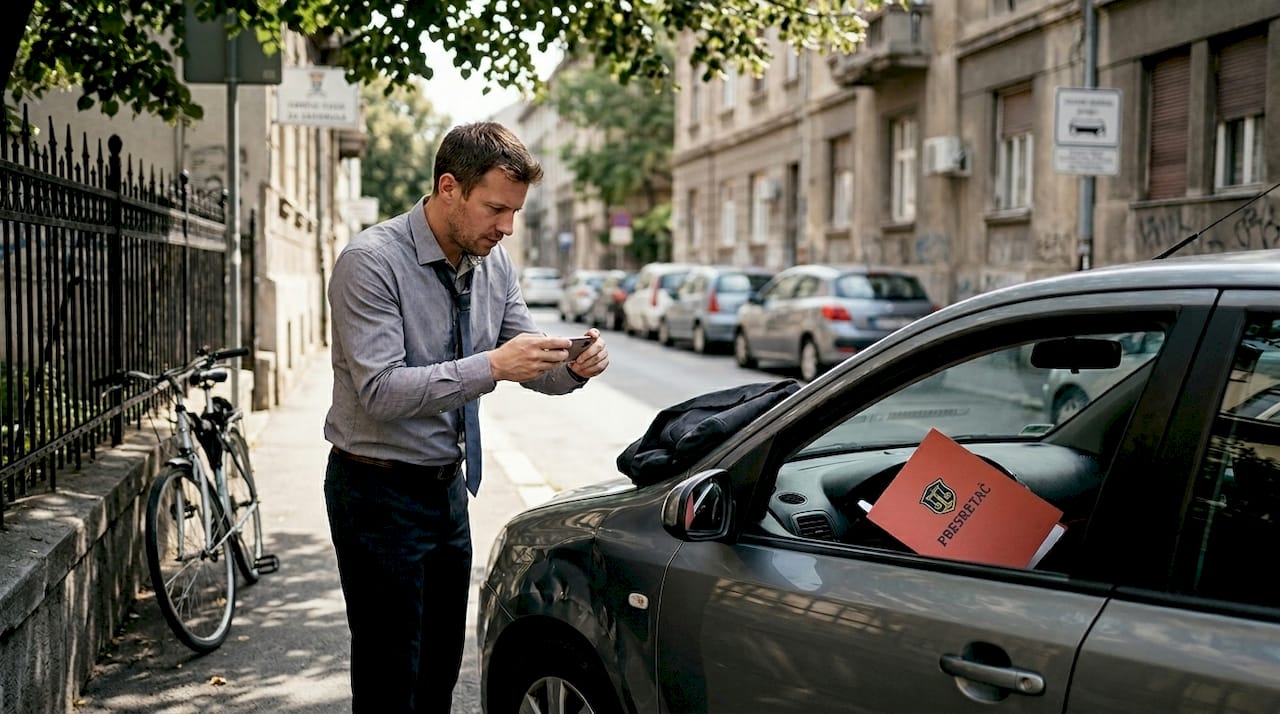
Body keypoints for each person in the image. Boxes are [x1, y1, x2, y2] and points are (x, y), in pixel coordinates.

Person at [323, 121, 609, 713]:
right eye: (495, 209)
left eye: (515, 214)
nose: (505, 228)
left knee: (440, 670)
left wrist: (573, 367)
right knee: (387, 673)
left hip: (446, 491)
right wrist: (492, 366)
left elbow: (528, 362)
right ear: (449, 187)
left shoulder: (494, 265)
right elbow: (379, 390)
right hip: (375, 491)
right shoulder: (371, 262)